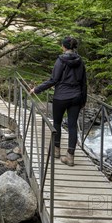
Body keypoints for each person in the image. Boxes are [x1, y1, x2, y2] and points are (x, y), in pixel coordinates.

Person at [30, 36, 86, 166]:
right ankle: (70, 157)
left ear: (64, 47)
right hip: (76, 96)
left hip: (61, 96)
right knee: (72, 126)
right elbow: (84, 83)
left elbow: (53, 80)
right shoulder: (80, 61)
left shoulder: (60, 60)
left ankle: (56, 151)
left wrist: (36, 89)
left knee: (57, 123)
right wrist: (83, 100)